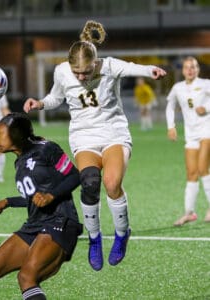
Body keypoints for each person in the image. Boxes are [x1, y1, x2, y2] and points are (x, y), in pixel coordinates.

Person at [24, 20, 166, 271]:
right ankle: (94, 239)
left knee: (112, 184)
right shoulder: (62, 71)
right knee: (89, 184)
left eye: (86, 72)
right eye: (76, 72)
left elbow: (134, 67)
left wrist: (151, 71)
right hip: (84, 135)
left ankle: (122, 234)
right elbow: (56, 97)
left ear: (95, 63)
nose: (81, 77)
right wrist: (40, 103)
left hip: (113, 132)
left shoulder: (110, 66)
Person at [0, 112, 83, 300]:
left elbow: (75, 175)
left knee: (27, 277)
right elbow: (34, 198)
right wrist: (8, 202)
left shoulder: (47, 148)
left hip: (60, 222)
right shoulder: (20, 162)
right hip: (35, 226)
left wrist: (52, 195)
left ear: (15, 134)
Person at [166, 56, 210, 226]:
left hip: (206, 131)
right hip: (190, 134)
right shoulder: (178, 88)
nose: (190, 70)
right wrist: (171, 126)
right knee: (191, 173)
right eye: (187, 67)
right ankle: (189, 213)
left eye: (193, 66)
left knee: (202, 169)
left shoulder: (206, 83)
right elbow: (170, 106)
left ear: (198, 69)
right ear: (183, 70)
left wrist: (206, 108)